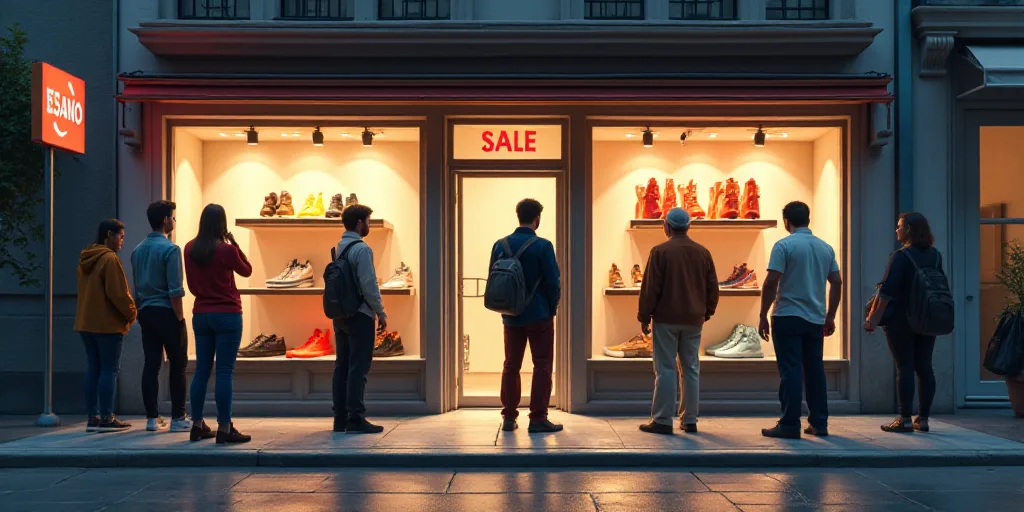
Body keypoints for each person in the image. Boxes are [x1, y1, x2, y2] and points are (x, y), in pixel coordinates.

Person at [758, 201, 842, 439]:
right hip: (815, 318)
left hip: (787, 315)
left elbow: (771, 282)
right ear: (808, 218)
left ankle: (789, 423)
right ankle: (819, 422)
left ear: (787, 220)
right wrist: (831, 315)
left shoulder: (784, 246)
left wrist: (763, 314)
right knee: (815, 370)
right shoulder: (825, 248)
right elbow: (837, 281)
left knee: (790, 370)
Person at [637, 208, 719, 435]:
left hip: (665, 318)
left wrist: (644, 316)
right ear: (688, 226)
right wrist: (706, 312)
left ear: (667, 226)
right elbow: (713, 288)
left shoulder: (660, 251)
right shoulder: (703, 252)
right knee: (690, 368)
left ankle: (663, 419)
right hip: (694, 319)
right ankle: (690, 419)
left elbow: (650, 288)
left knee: (665, 368)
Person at [865, 212, 940, 433]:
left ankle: (905, 419)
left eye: (899, 226)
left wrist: (872, 319)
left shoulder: (900, 256)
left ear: (908, 229)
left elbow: (886, 292)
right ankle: (923, 419)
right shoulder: (935, 255)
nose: (896, 230)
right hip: (927, 317)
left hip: (901, 320)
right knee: (925, 366)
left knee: (904, 366)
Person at [492, 198, 562, 434]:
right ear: (537, 219)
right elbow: (553, 281)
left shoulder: (500, 245)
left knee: (511, 365)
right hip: (540, 314)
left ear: (518, 216)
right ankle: (538, 418)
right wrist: (552, 308)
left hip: (511, 315)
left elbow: (494, 279)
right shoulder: (543, 246)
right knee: (542, 365)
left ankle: (509, 418)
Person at [184, 204, 252, 444]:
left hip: (201, 313)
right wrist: (235, 245)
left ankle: (197, 424)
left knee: (201, 371)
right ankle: (224, 427)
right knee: (224, 371)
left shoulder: (189, 248)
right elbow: (247, 270)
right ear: (222, 224)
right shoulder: (226, 250)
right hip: (227, 314)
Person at [131, 200, 192, 433]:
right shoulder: (170, 249)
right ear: (166, 220)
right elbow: (175, 289)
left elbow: (136, 286)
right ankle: (178, 417)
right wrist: (180, 318)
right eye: (173, 218)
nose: (174, 221)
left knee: (151, 364)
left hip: (146, 311)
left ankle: (152, 417)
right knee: (178, 364)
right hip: (167, 311)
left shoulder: (137, 250)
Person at [74, 219, 137, 432]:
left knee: (93, 368)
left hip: (86, 322)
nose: (122, 242)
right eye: (120, 236)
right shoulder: (109, 259)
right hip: (107, 324)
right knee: (109, 370)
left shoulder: (86, 257)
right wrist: (131, 312)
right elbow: (117, 293)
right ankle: (107, 417)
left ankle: (93, 417)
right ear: (109, 234)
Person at [332, 204, 387, 434]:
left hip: (341, 315)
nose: (369, 225)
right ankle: (356, 418)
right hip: (361, 314)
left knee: (342, 366)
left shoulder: (338, 247)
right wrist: (381, 312)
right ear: (359, 223)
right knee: (358, 368)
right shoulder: (361, 249)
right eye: (368, 221)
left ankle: (340, 418)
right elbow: (369, 285)